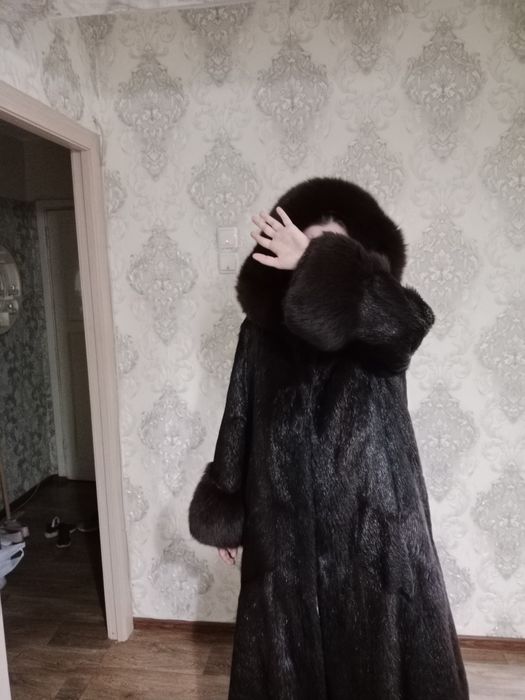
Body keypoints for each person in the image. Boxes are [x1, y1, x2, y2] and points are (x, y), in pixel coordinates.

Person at [188, 177, 470, 700]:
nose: (309, 258)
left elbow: (409, 329)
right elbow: (240, 413)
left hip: (377, 525)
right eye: (305, 245)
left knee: (382, 658)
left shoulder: (380, 321)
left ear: (358, 259)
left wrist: (319, 264)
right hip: (283, 526)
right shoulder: (260, 331)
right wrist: (229, 503)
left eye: (328, 251)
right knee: (288, 659)